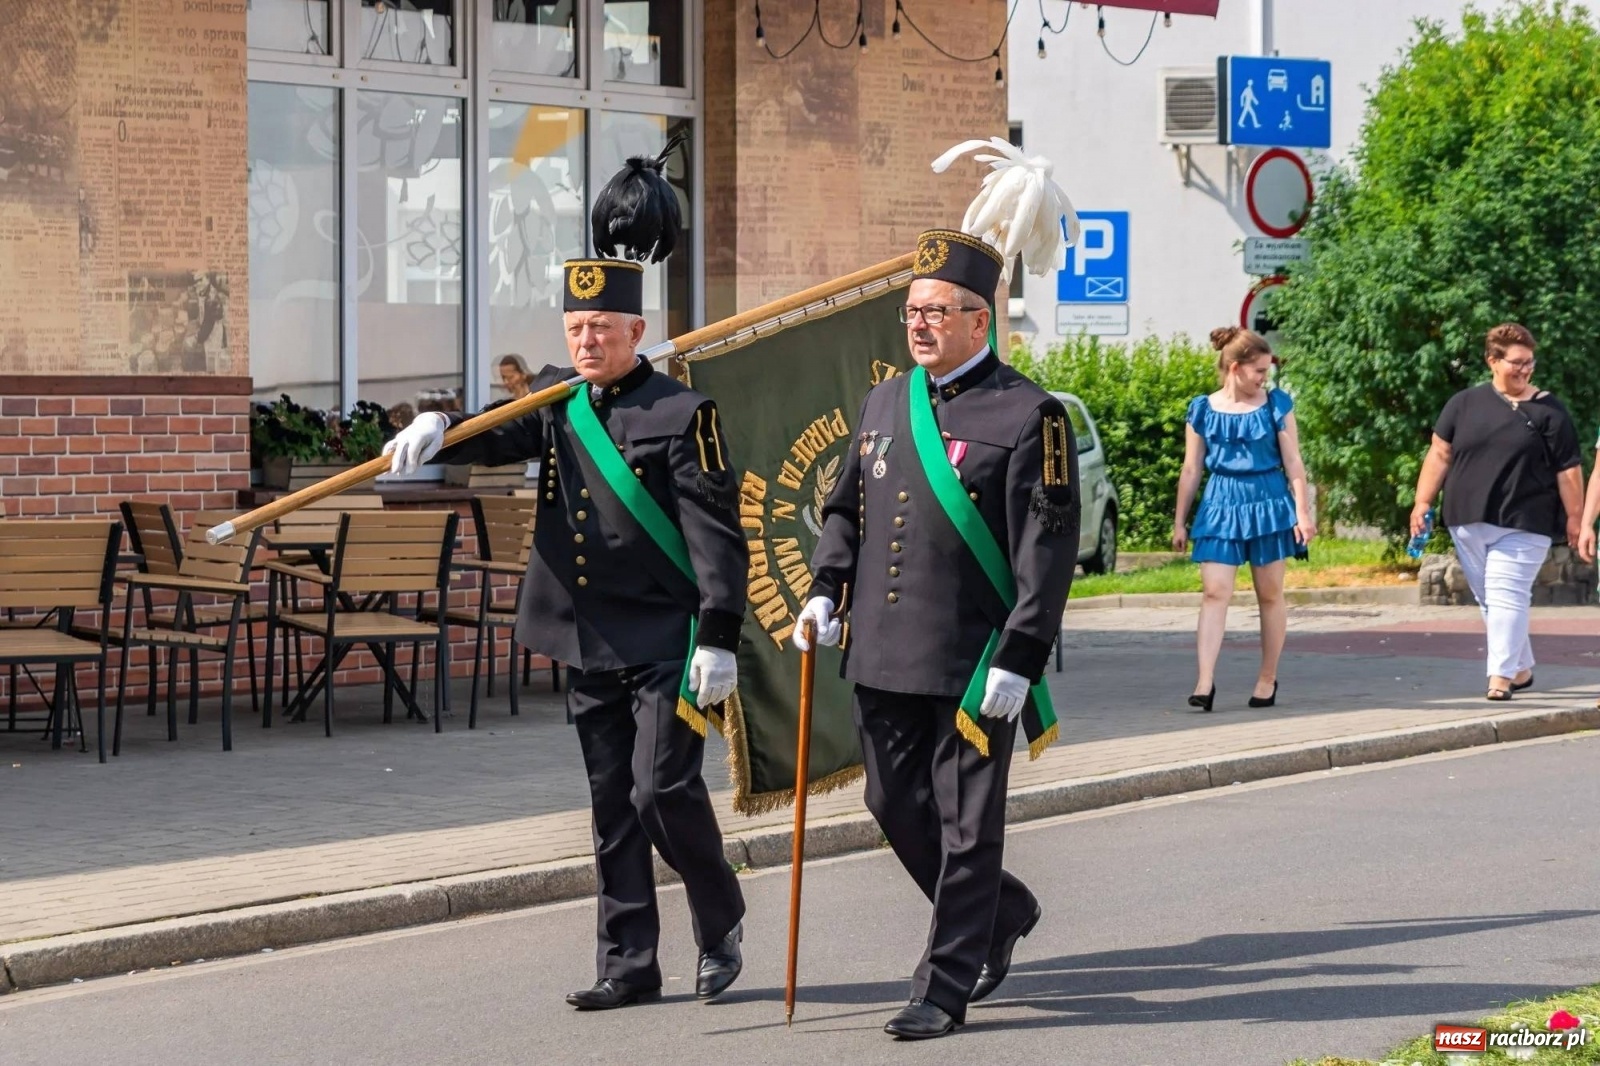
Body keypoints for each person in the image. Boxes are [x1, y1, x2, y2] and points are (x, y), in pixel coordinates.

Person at [383, 142, 749, 1012]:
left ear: (639, 334)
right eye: (575, 329)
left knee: (661, 788)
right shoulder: (553, 397)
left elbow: (716, 535)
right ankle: (629, 963)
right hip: (586, 632)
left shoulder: (682, 413)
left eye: (602, 331)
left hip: (666, 636)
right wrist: (441, 426)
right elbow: (495, 433)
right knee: (609, 804)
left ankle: (719, 907)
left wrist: (722, 636)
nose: (586, 341)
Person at [794, 230, 1081, 1040]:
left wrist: (1022, 655)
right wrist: (825, 588)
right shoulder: (887, 403)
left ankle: (944, 984)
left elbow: (1048, 550)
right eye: (912, 312)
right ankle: (1007, 909)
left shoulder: (1033, 416)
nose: (919, 325)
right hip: (883, 648)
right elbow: (846, 506)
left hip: (973, 658)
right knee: (892, 802)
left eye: (936, 312)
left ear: (979, 322)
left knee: (966, 823)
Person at [1410, 323, 1583, 701]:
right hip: (1467, 518)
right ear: (1493, 360)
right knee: (1493, 599)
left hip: (1527, 520)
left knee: (1507, 594)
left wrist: (1575, 518)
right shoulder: (1464, 403)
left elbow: (1568, 470)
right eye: (1516, 363)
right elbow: (1440, 453)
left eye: (1530, 363)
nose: (1525, 370)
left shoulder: (1550, 411)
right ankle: (1520, 668)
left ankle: (1499, 678)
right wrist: (1423, 502)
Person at [1172, 327, 1315, 711]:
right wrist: (1180, 521)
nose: (1263, 379)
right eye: (1258, 372)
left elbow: (1294, 463)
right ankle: (1204, 681)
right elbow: (1190, 469)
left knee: (1269, 594)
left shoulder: (1276, 405)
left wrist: (1302, 512)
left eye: (1266, 373)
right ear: (1235, 368)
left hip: (1268, 501)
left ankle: (1267, 679)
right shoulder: (1202, 408)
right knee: (1214, 591)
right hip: (1220, 501)